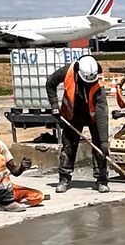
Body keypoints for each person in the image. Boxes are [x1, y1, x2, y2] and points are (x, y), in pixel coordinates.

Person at [46, 53, 110, 193]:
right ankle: (64, 178)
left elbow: (101, 114)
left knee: (100, 147)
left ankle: (102, 180)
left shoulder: (98, 84)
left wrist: (104, 141)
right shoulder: (68, 72)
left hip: (92, 116)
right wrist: (54, 105)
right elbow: (50, 83)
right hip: (72, 115)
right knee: (69, 146)